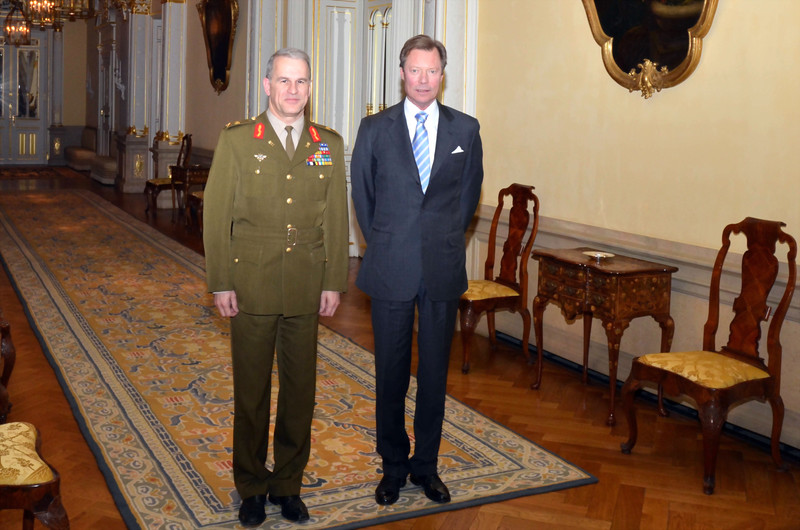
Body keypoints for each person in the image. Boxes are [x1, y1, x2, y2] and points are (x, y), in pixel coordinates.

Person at [203, 47, 349, 526]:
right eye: (284, 81)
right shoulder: (240, 140)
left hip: (306, 285)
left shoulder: (328, 142)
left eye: (302, 82)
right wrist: (221, 281)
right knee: (250, 393)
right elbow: (216, 214)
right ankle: (250, 485)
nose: (293, 90)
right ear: (267, 85)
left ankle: (288, 483)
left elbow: (334, 215)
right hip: (252, 284)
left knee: (300, 392)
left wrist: (333, 281)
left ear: (310, 88)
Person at [350, 34, 484, 506]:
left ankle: (426, 467)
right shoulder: (374, 128)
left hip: (442, 269)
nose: (423, 79)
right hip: (390, 267)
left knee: (433, 376)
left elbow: (468, 199)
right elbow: (363, 198)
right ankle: (392, 467)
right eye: (415, 70)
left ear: (442, 76)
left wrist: (442, 239)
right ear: (402, 73)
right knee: (389, 373)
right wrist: (386, 242)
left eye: (432, 71)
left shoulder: (465, 131)